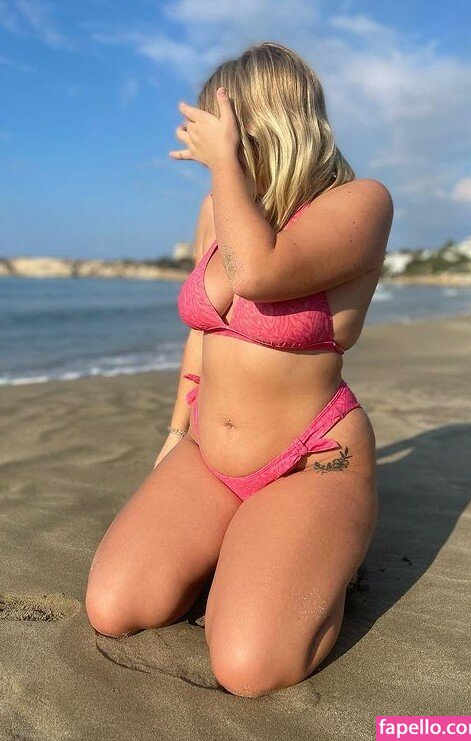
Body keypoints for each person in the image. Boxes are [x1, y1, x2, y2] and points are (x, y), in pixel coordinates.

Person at [85, 41, 393, 698]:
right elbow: (203, 332)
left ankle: (324, 553)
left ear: (265, 121)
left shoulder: (360, 202)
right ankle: (248, 550)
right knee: (114, 607)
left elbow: (258, 273)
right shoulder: (217, 209)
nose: (206, 144)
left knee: (249, 667)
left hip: (311, 461)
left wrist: (225, 165)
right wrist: (175, 433)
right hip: (208, 454)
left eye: (219, 126)